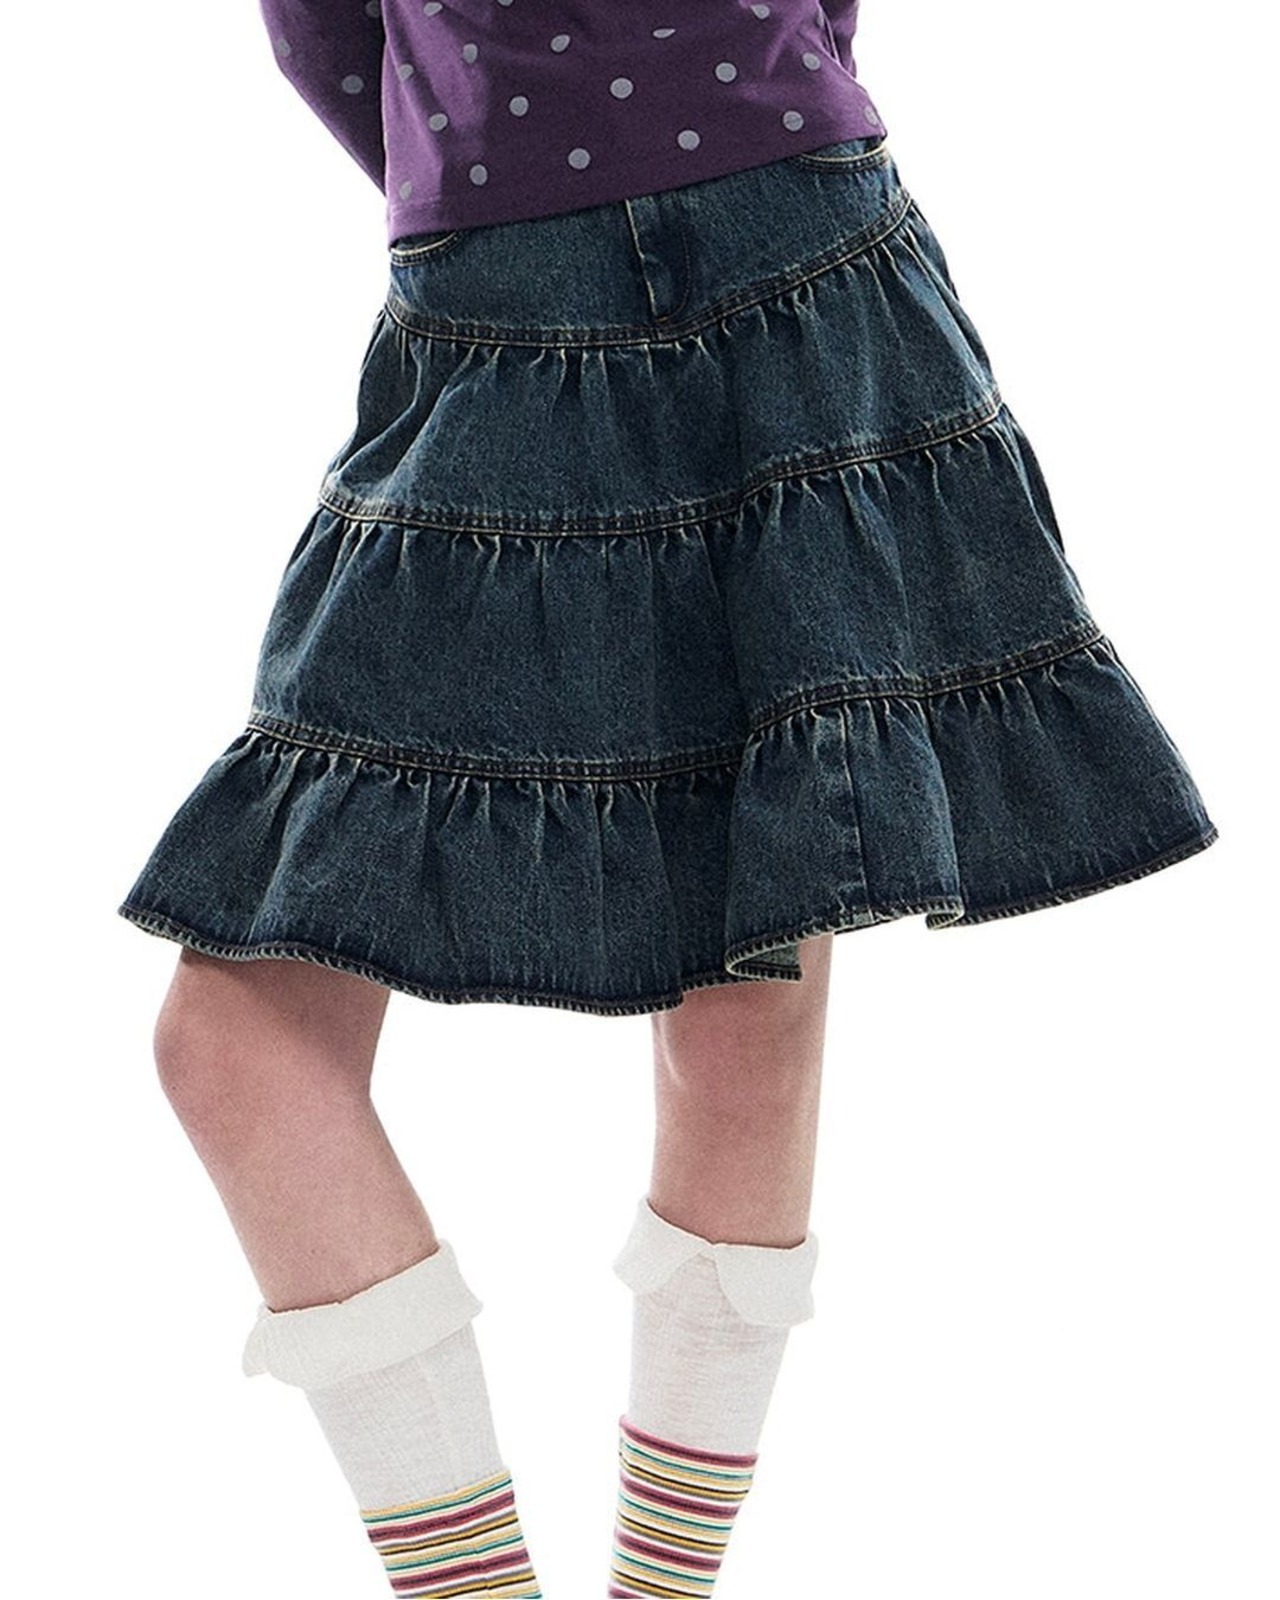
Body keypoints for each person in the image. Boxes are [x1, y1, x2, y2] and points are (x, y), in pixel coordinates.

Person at [117, 4, 1218, 1595]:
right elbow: (325, 35)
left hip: (795, 262)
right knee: (233, 1040)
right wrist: (483, 187)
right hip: (505, 302)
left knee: (744, 1014)